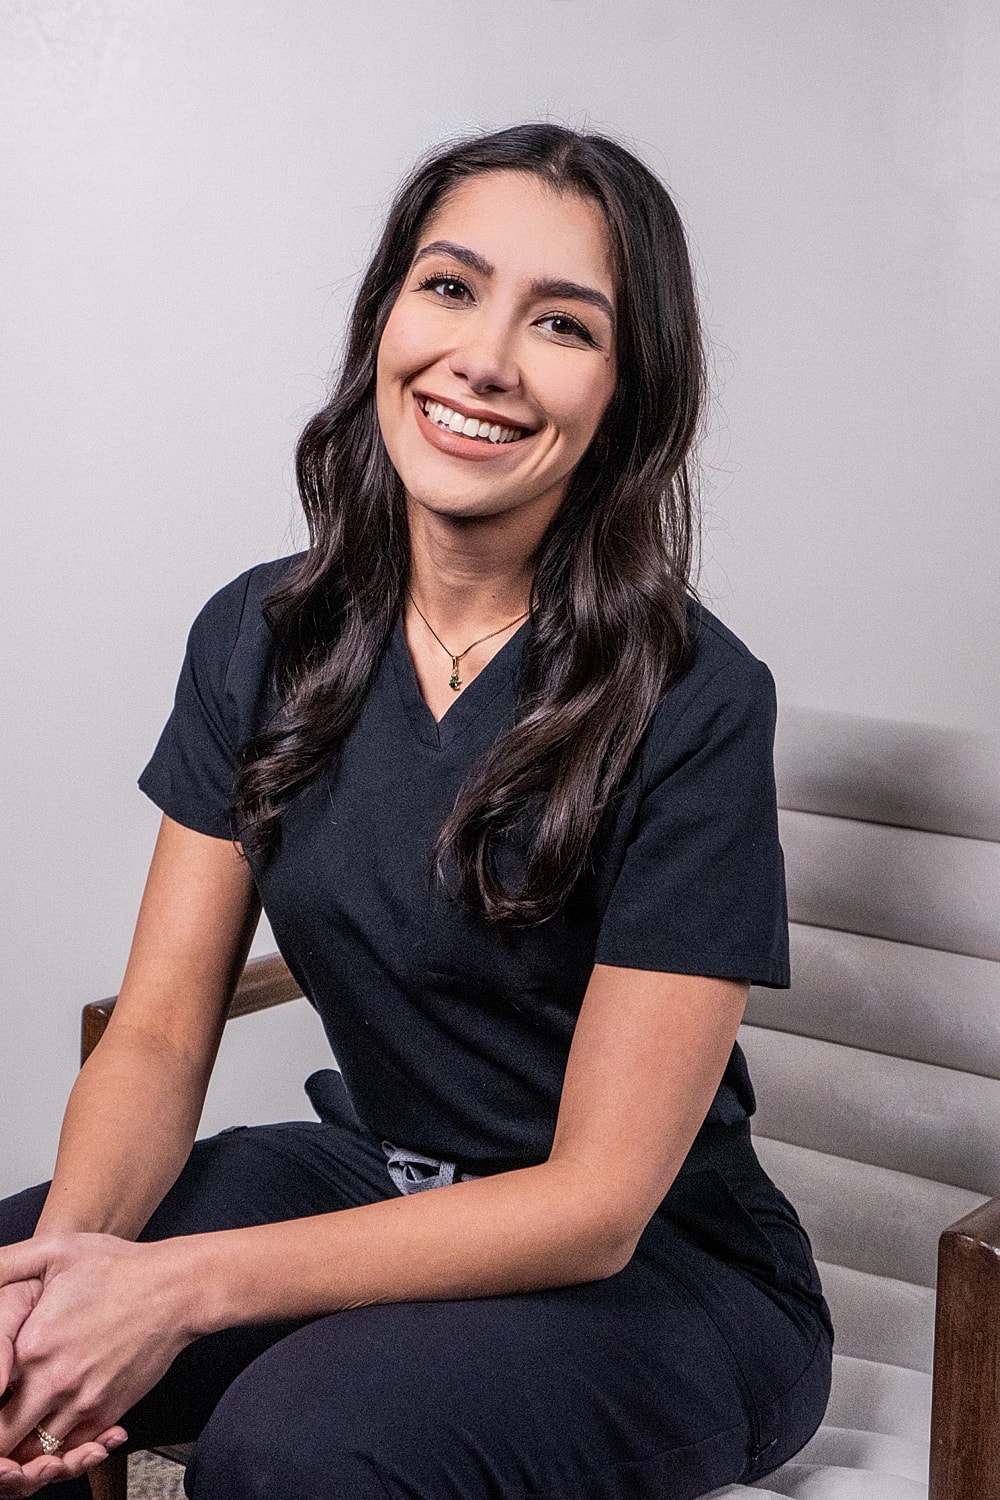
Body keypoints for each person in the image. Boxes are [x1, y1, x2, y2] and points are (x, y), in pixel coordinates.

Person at [0, 123, 832, 1499]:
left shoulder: (696, 697)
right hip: (371, 1176)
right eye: (450, 287)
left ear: (628, 394)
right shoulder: (259, 636)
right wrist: (76, 1281)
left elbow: (596, 1203)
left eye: (562, 322)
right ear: (385, 314)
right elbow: (155, 1029)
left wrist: (180, 1289)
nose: (487, 357)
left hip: (664, 1280)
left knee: (298, 1453)